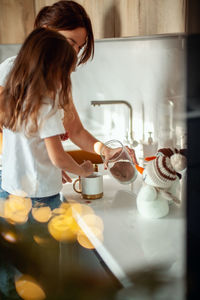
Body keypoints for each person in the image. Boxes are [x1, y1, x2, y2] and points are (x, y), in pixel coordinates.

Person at [0, 0, 137, 202]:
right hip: (17, 182)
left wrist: (105, 150)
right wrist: (45, 162)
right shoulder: (10, 71)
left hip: (30, 186)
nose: (74, 52)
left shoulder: (54, 83)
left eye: (79, 47)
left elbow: (75, 130)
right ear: (45, 32)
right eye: (71, 42)